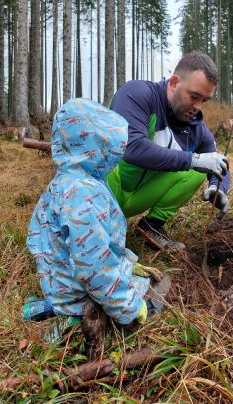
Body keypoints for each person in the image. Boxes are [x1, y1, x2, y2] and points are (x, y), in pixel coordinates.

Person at [24, 98, 163, 334]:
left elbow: (61, 243)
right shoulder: (84, 194)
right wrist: (130, 306)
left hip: (59, 283)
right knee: (143, 295)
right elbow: (93, 267)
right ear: (97, 148)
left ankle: (60, 303)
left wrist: (127, 264)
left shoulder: (67, 180)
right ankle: (75, 318)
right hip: (76, 296)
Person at [107, 51, 230, 251]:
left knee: (197, 172)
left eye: (204, 100)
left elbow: (219, 162)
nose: (198, 107)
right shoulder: (138, 94)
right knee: (195, 162)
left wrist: (218, 187)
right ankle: (98, 224)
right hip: (105, 190)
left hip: (136, 196)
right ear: (173, 83)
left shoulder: (196, 127)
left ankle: (151, 226)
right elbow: (131, 147)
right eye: (194, 96)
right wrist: (194, 159)